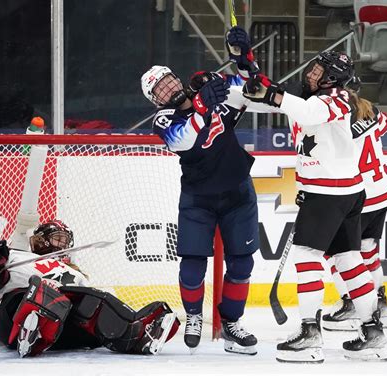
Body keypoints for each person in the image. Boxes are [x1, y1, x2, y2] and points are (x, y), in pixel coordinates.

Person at [242, 51, 387, 362]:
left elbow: (306, 112)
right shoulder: (323, 96)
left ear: (332, 78)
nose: (311, 73)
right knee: (349, 258)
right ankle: (372, 331)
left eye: (319, 71)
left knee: (306, 255)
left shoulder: (333, 100)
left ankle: (309, 332)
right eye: (314, 67)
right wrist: (246, 64)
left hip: (327, 193)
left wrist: (271, 93)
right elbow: (270, 97)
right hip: (348, 192)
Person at [139, 26, 269, 355]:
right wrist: (200, 105)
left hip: (239, 193)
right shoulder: (163, 120)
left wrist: (244, 61)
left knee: (242, 265)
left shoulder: (213, 93)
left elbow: (257, 92)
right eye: (159, 89)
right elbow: (185, 139)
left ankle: (231, 324)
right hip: (199, 200)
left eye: (168, 79)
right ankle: (194, 315)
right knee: (192, 263)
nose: (168, 87)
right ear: (156, 100)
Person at [0, 220, 180, 358]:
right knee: (37, 292)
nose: (62, 245)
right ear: (40, 240)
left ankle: (135, 334)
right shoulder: (15, 256)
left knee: (95, 299)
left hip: (59, 332)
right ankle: (30, 327)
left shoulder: (76, 274)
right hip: (9, 321)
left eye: (65, 241)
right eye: (57, 238)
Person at [322, 90, 387, 331]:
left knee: (336, 252)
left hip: (360, 197)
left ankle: (352, 302)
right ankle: (380, 303)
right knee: (368, 250)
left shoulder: (340, 122)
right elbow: (385, 125)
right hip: (383, 192)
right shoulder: (370, 110)